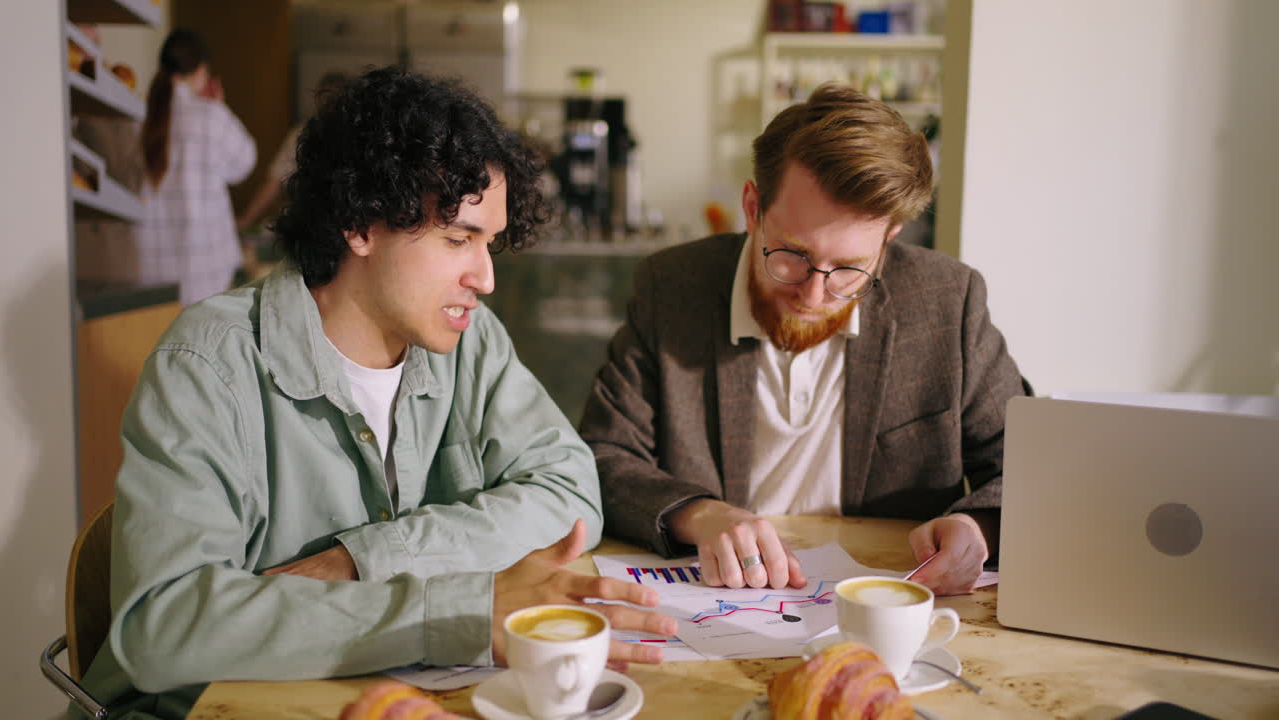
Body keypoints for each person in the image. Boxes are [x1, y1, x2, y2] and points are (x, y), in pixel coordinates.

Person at [77, 67, 675, 720]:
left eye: (491, 244)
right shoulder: (209, 363)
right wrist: (449, 611)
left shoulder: (469, 341)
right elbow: (165, 628)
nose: (486, 277)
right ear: (360, 224)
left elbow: (567, 489)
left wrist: (364, 562)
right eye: (459, 239)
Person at [579, 84, 1030, 598]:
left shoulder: (947, 301)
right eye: (792, 254)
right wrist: (701, 515)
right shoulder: (672, 288)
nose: (815, 294)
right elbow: (602, 455)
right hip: (716, 603)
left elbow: (1031, 466)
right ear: (753, 209)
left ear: (890, 238)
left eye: (850, 268)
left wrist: (979, 530)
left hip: (887, 605)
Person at [137, 29, 256, 306]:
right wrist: (220, 107)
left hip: (152, 269)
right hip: (205, 268)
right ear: (201, 70)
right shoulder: (210, 115)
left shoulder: (143, 116)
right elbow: (244, 164)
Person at [236, 71, 348, 232]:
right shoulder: (301, 134)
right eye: (325, 99)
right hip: (311, 224)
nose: (329, 105)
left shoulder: (356, 136)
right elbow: (274, 180)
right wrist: (247, 219)